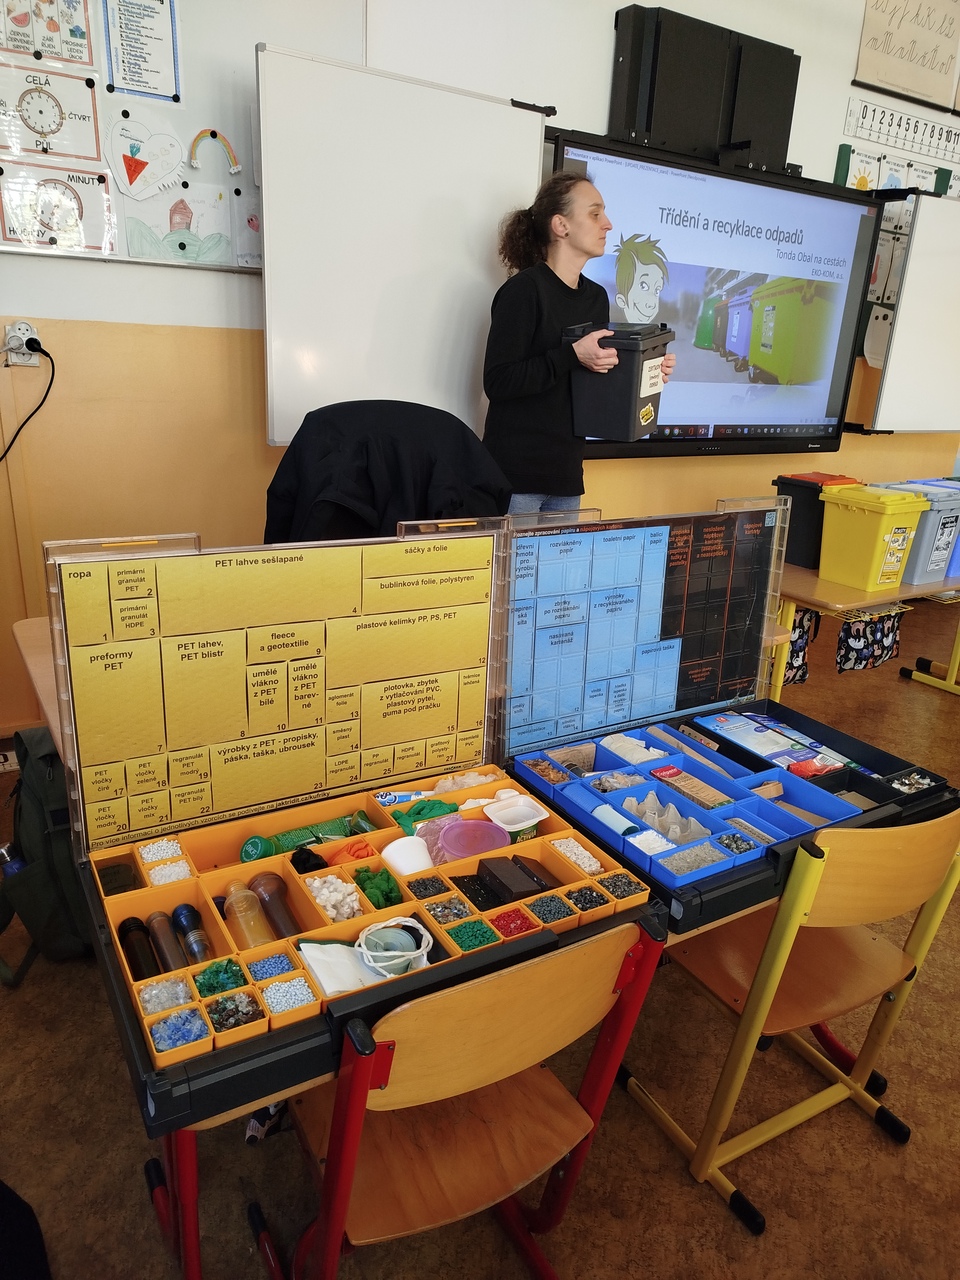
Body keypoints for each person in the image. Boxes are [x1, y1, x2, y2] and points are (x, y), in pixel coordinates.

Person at [482, 172, 674, 515]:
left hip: (567, 476)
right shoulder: (523, 291)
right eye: (595, 213)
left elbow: (593, 378)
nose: (608, 224)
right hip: (516, 479)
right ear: (561, 225)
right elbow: (498, 382)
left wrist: (647, 371)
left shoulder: (596, 297)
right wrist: (570, 355)